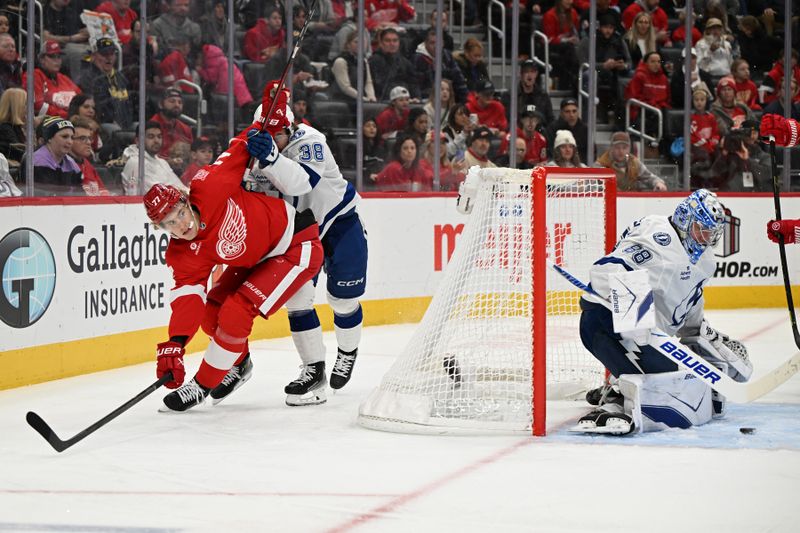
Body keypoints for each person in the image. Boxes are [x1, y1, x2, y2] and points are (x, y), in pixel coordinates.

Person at [144, 119, 324, 413]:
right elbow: (189, 300)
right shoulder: (182, 253)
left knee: (237, 309)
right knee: (211, 310)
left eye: (180, 214)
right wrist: (175, 342)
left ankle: (202, 385)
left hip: (296, 245)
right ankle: (238, 366)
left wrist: (267, 117)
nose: (181, 226)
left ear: (186, 202)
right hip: (259, 258)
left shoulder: (210, 185)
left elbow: (241, 146)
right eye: (170, 225)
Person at [576, 189, 752, 434]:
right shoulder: (656, 237)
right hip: (606, 321)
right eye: (701, 229)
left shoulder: (705, 261)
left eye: (711, 233)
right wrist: (635, 312)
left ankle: (617, 384)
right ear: (684, 219)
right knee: (663, 389)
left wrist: (700, 332)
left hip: (651, 336)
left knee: (669, 376)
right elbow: (608, 269)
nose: (706, 238)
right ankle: (617, 399)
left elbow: (690, 300)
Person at [244, 81, 369, 403]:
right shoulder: (257, 148)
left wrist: (271, 156)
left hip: (339, 222)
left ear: (290, 127)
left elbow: (302, 182)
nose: (276, 142)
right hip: (299, 233)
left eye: (279, 136)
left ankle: (348, 351)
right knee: (297, 301)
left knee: (342, 300)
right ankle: (313, 372)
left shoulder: (311, 140)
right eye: (269, 138)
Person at [77, 37, 133, 129]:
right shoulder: (87, 78)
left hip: (124, 123)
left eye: (112, 54)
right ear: (94, 56)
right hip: (101, 124)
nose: (109, 58)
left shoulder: (120, 77)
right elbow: (93, 108)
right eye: (104, 54)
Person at [120, 121, 187, 195]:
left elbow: (181, 188)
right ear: (138, 141)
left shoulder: (162, 163)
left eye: (159, 137)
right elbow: (158, 195)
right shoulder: (136, 163)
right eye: (151, 137)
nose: (156, 141)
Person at [24, 41, 82, 119]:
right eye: (52, 56)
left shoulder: (63, 78)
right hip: (47, 124)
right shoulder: (33, 76)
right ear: (42, 59)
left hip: (71, 121)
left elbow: (81, 99)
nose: (57, 60)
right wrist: (67, 116)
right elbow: (37, 106)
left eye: (59, 57)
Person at [27, 116, 83, 196]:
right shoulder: (37, 161)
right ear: (49, 138)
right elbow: (47, 197)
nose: (70, 142)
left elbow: (79, 194)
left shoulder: (71, 163)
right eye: (64, 137)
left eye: (72, 137)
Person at [595, 131, 666, 191]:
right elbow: (592, 185)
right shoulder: (601, 164)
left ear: (629, 149)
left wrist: (658, 183)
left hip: (632, 202)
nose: (621, 151)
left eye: (624, 148)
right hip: (609, 202)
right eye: (617, 148)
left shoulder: (634, 163)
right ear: (611, 148)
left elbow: (649, 177)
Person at [412, 27, 468, 103]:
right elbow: (415, 84)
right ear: (425, 43)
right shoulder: (417, 58)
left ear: (443, 43)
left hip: (447, 99)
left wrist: (465, 101)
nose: (436, 46)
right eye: (432, 43)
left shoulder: (448, 56)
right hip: (425, 100)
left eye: (438, 43)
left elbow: (459, 80)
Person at [368, 28, 419, 102]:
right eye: (388, 41)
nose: (392, 44)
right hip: (383, 101)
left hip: (405, 100)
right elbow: (378, 84)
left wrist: (416, 98)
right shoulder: (374, 61)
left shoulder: (405, 62)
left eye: (395, 41)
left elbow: (413, 83)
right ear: (381, 43)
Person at [501, 59, 554, 129]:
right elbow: (507, 120)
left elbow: (550, 119)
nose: (529, 75)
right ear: (521, 74)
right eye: (526, 72)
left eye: (532, 72)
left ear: (536, 74)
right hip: (518, 133)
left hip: (540, 132)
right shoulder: (509, 95)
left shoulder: (543, 95)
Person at [542, 0, 580, 93]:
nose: (570, 1)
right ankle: (573, 81)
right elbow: (548, 39)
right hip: (553, 45)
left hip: (569, 45)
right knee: (569, 49)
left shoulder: (573, 13)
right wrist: (565, 40)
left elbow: (576, 32)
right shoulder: (550, 15)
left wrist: (574, 39)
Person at [330, 30, 377, 105]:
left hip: (360, 99)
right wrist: (363, 99)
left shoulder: (364, 61)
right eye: (356, 42)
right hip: (341, 101)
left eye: (363, 42)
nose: (360, 45)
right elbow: (345, 88)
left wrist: (371, 97)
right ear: (348, 44)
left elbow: (368, 82)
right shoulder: (340, 61)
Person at [69, 116, 111, 196]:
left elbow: (104, 192)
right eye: (82, 138)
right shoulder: (64, 166)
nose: (88, 142)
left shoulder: (87, 164)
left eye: (89, 138)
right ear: (70, 140)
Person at [150, 88, 194, 158]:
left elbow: (192, 155)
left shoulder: (186, 129)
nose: (177, 105)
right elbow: (146, 156)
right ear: (160, 104)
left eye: (180, 102)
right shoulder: (150, 127)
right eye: (172, 101)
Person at [546, 98, 590, 164]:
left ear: (578, 112)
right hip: (558, 166)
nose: (571, 115)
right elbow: (550, 151)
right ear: (561, 113)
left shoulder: (585, 129)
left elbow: (591, 152)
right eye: (567, 111)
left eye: (574, 111)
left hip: (579, 167)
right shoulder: (552, 128)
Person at [0, 87, 29, 164]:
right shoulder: (5, 129)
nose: (29, 108)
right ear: (17, 107)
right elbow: (22, 154)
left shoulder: (16, 127)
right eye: (26, 104)